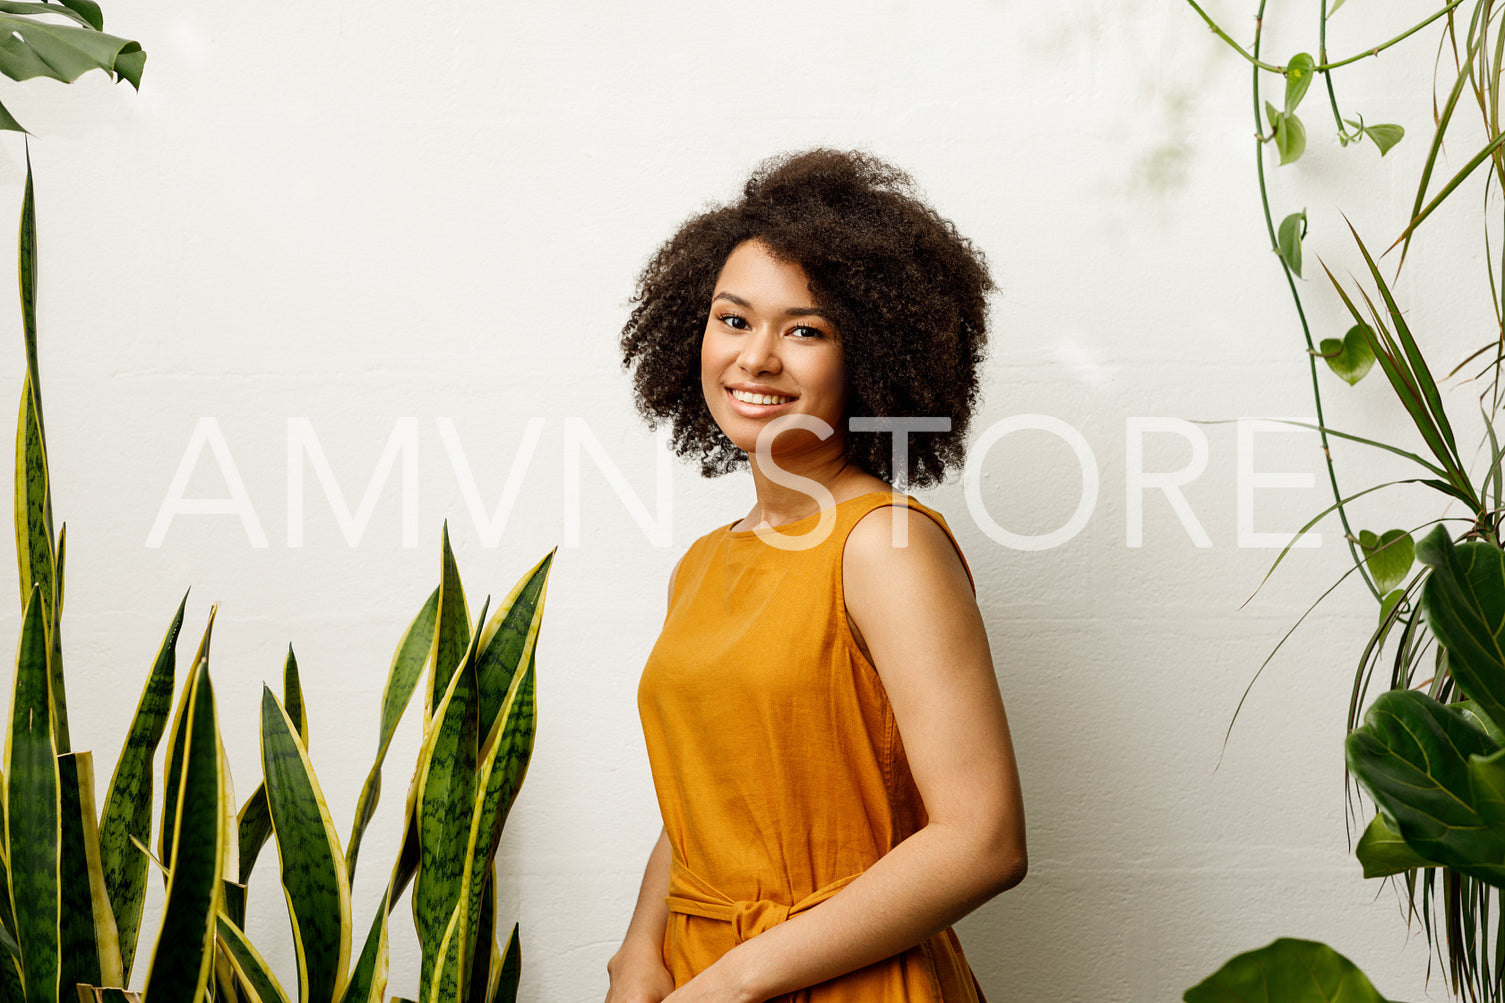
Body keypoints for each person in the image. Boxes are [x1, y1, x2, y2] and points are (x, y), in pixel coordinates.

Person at [608, 149, 1026, 1003]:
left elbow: (982, 840)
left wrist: (731, 983)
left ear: (870, 356)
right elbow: (713, 800)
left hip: (843, 983)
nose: (756, 358)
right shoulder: (704, 562)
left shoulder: (884, 546)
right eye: (733, 319)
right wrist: (638, 951)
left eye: (805, 329)